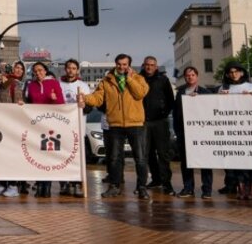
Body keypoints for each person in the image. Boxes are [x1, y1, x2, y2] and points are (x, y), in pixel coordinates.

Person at [79, 54, 150, 199]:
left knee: (140, 158)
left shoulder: (138, 78)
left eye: (124, 64)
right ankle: (114, 186)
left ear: (129, 65)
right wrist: (85, 97)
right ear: (115, 64)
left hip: (135, 123)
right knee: (114, 157)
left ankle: (142, 187)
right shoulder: (107, 80)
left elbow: (140, 93)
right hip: (115, 124)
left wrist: (129, 78)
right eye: (119, 64)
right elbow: (98, 99)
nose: (121, 67)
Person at [219, 61, 252, 200]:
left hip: (249, 129)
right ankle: (241, 187)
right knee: (238, 160)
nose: (233, 74)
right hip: (231, 130)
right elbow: (216, 107)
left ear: (241, 72)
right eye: (231, 72)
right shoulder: (223, 88)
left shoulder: (250, 86)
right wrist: (221, 99)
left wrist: (251, 97)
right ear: (227, 74)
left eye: (236, 71)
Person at [0, 60, 27, 197]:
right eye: (16, 67)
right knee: (1, 155)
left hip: (14, 125)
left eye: (21, 68)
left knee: (12, 156)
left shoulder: (19, 85)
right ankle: (2, 184)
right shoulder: (3, 83)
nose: (18, 70)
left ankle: (13, 185)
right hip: (0, 123)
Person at [172, 66, 214, 199]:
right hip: (184, 133)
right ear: (184, 77)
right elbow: (176, 113)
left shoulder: (205, 92)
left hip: (202, 133)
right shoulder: (180, 93)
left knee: (205, 161)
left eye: (192, 75)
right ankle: (188, 188)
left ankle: (207, 189)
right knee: (186, 162)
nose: (190, 77)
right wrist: (178, 131)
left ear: (197, 76)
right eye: (187, 75)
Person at [25, 61, 64, 197]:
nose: (38, 73)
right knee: (37, 156)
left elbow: (61, 103)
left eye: (40, 70)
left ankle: (47, 186)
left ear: (45, 71)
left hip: (50, 125)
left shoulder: (54, 83)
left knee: (47, 156)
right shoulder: (31, 85)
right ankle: (39, 185)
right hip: (36, 125)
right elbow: (30, 103)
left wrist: (54, 99)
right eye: (35, 71)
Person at [140, 55, 176, 195]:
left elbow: (170, 99)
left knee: (163, 154)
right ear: (143, 65)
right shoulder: (138, 78)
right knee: (147, 153)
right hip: (144, 122)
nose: (149, 67)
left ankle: (167, 183)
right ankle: (156, 179)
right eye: (147, 64)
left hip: (160, 121)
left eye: (152, 65)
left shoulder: (163, 79)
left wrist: (164, 113)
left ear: (156, 66)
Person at [58, 59, 90, 197]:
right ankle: (64, 184)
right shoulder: (59, 84)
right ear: (65, 69)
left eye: (73, 68)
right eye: (69, 68)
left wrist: (84, 105)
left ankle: (76, 184)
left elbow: (90, 107)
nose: (71, 70)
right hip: (62, 128)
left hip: (78, 128)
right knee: (63, 157)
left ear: (77, 70)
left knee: (77, 157)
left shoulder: (83, 86)